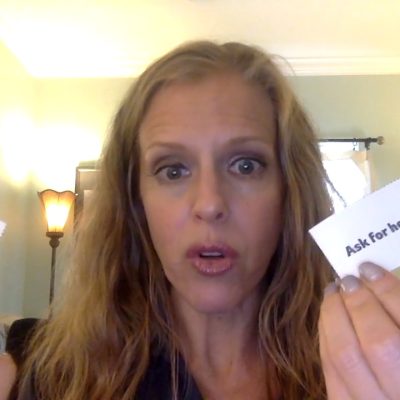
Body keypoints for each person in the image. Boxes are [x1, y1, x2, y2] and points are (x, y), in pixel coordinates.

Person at [1, 40, 399, 399]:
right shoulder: (56, 380)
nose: (209, 204)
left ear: (289, 192)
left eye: (246, 165)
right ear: (135, 201)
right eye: (173, 170)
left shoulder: (373, 363)